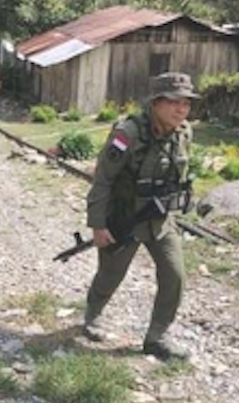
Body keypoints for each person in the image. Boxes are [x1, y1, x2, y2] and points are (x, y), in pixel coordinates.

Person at [82, 72, 198, 361]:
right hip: (124, 219)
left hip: (160, 220)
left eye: (186, 103)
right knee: (111, 274)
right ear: (156, 103)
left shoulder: (184, 133)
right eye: (174, 102)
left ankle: (157, 337)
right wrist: (98, 224)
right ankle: (93, 314)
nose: (181, 109)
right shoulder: (128, 133)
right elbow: (103, 181)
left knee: (175, 275)